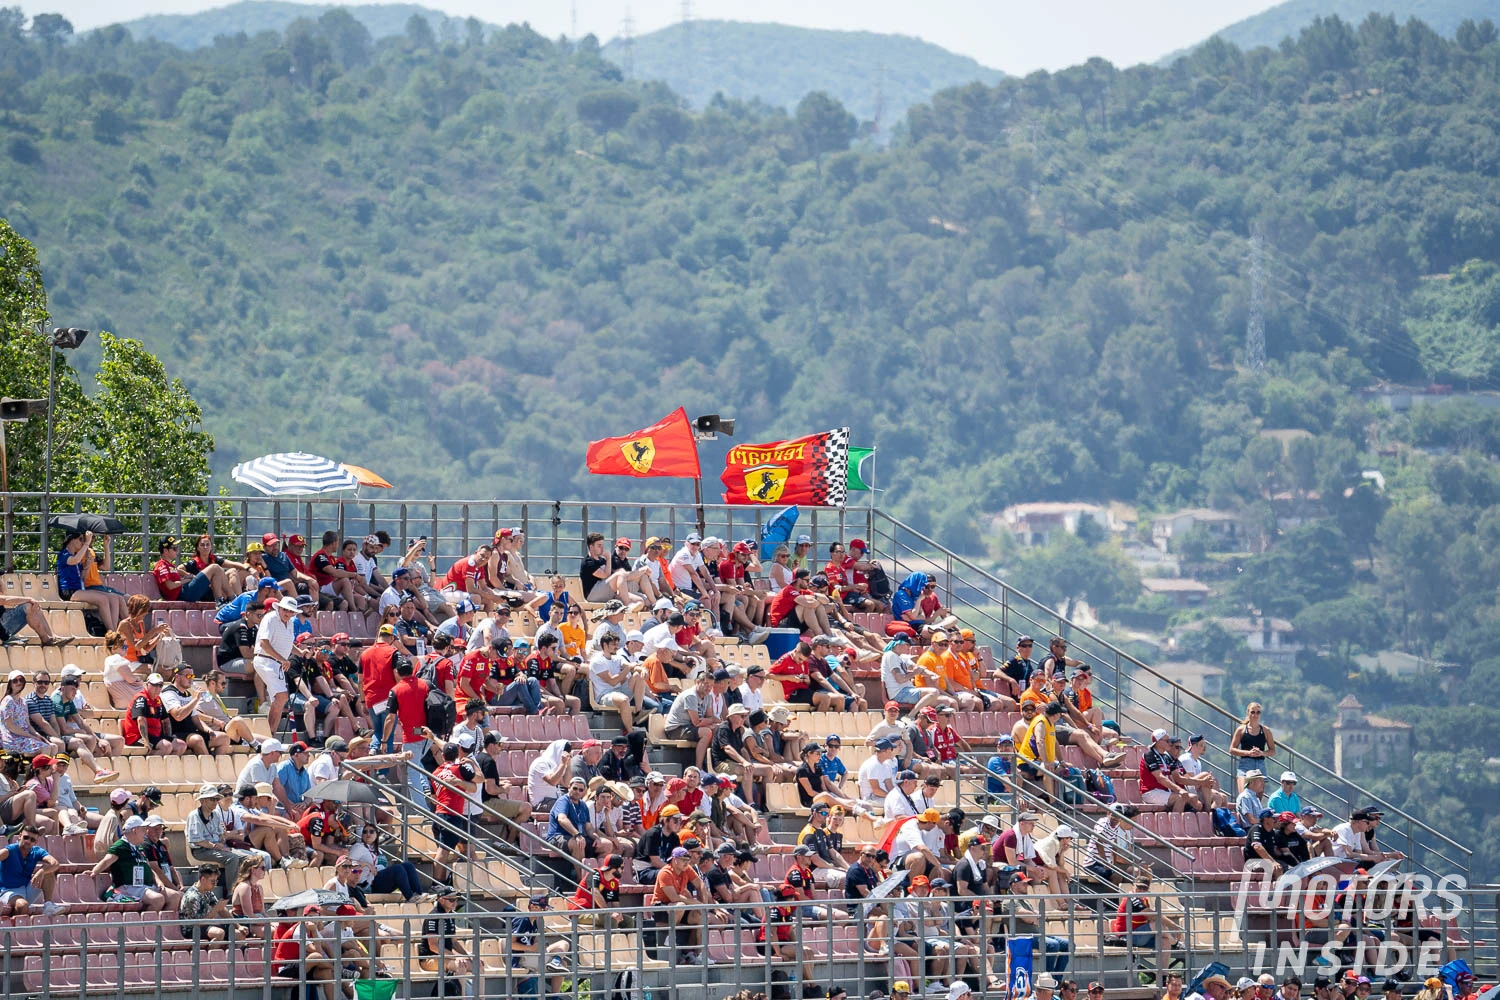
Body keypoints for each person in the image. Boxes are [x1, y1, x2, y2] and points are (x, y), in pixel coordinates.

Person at [90, 815, 180, 910]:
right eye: (143, 830)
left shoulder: (138, 847)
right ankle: (147, 920)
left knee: (174, 896)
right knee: (157, 899)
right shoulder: (120, 846)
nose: (145, 832)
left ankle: (162, 920)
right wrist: (94, 872)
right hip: (129, 887)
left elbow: (149, 868)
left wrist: (158, 882)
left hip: (145, 886)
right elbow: (106, 861)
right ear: (135, 830)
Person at [57, 530, 124, 629]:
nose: (82, 542)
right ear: (72, 540)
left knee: (113, 598)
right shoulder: (64, 555)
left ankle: (114, 631)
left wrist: (87, 566)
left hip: (79, 590)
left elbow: (83, 578)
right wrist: (87, 543)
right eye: (80, 539)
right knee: (103, 600)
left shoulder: (76, 556)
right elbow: (75, 560)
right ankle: (111, 630)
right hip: (69, 591)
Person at [0, 825, 61, 915]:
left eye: (32, 840)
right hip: (7, 890)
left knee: (48, 871)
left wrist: (42, 871)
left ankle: (48, 905)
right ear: (20, 836)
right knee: (22, 905)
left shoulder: (36, 851)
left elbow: (55, 863)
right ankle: (13, 922)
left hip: (26, 888)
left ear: (35, 842)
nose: (28, 841)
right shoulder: (9, 850)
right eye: (26, 837)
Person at [178, 862, 235, 941]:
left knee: (237, 934)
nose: (215, 885)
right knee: (219, 934)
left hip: (205, 926)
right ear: (203, 879)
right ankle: (210, 948)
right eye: (213, 882)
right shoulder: (192, 897)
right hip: (192, 930)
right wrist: (215, 910)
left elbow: (221, 910)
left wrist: (238, 925)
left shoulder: (208, 892)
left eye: (216, 881)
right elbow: (197, 923)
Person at [1229, 703, 1276, 793]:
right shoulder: (1241, 730)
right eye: (1253, 712)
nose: (1255, 715)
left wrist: (1262, 753)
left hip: (1260, 765)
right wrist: (1248, 753)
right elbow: (1232, 749)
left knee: (1257, 798)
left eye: (1258, 712)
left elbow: (1272, 750)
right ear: (1248, 713)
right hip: (1245, 765)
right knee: (1243, 795)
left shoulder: (1266, 731)